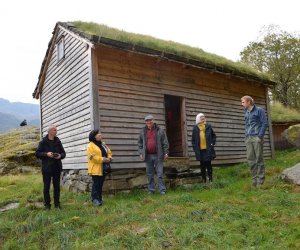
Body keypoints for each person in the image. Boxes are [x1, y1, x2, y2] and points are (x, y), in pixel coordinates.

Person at [36, 124, 66, 209]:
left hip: (57, 167)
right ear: (49, 131)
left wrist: (60, 156)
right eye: (54, 130)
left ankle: (57, 205)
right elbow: (37, 153)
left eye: (56, 130)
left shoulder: (58, 141)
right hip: (47, 168)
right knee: (46, 187)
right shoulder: (43, 142)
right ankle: (47, 205)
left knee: (57, 187)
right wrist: (46, 154)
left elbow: (64, 153)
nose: (56, 131)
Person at [138, 115, 169, 195]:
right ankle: (151, 190)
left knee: (160, 173)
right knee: (149, 174)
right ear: (145, 122)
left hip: (158, 155)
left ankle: (162, 190)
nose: (149, 122)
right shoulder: (143, 131)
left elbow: (165, 142)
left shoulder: (160, 130)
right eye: (147, 120)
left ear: (153, 120)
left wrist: (166, 152)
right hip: (148, 156)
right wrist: (141, 153)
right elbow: (140, 143)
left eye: (150, 120)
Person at [241, 95, 268, 187]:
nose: (242, 104)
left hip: (256, 137)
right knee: (251, 159)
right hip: (248, 138)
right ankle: (254, 180)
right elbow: (247, 125)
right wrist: (246, 135)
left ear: (249, 102)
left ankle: (261, 180)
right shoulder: (246, 112)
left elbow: (264, 123)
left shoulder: (259, 110)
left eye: (243, 102)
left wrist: (260, 136)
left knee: (259, 158)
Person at [87, 129, 112, 206]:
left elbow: (109, 152)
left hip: (103, 167)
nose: (101, 135)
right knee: (96, 184)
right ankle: (94, 200)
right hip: (95, 168)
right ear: (94, 136)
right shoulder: (90, 146)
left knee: (100, 184)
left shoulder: (103, 144)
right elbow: (92, 157)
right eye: (99, 134)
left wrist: (109, 158)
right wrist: (104, 159)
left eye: (101, 134)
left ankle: (99, 199)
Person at [192, 113, 216, 183]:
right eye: (201, 117)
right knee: (202, 166)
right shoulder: (195, 128)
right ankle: (204, 180)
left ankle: (211, 180)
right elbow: (193, 140)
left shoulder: (208, 126)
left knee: (209, 165)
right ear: (198, 118)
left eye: (204, 117)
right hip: (200, 151)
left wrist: (212, 143)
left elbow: (213, 136)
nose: (203, 118)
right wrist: (195, 148)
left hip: (208, 149)